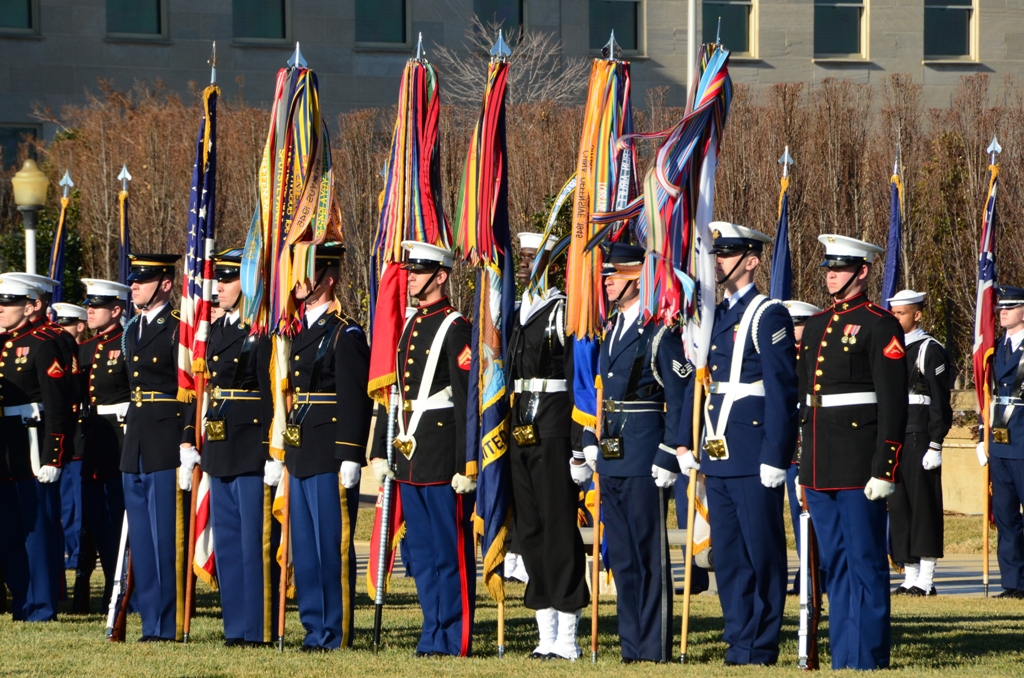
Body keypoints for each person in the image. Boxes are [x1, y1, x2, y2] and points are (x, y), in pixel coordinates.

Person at [676, 223, 798, 666]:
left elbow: (784, 392)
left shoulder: (769, 315)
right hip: (718, 452)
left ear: (751, 259)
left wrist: (775, 454)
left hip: (752, 452)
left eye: (728, 254)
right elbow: (700, 381)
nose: (718, 261)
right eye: (717, 253)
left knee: (761, 552)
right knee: (727, 556)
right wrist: (685, 443)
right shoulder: (714, 315)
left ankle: (761, 644)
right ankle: (738, 638)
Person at [797, 234, 907, 671]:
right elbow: (806, 402)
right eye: (828, 267)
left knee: (864, 564)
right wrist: (803, 464)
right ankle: (844, 655)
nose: (832, 274)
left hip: (861, 466)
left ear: (863, 271)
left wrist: (886, 466)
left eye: (841, 267)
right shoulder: (819, 323)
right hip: (821, 465)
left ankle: (867, 657)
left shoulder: (881, 324)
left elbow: (893, 403)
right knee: (835, 567)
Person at [581, 241, 689, 664]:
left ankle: (652, 646)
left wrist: (667, 453)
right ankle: (631, 645)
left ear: (636, 279)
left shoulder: (660, 331)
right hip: (612, 456)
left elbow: (678, 398)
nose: (606, 282)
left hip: (645, 455)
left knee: (647, 554)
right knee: (623, 557)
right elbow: (602, 394)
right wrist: (590, 439)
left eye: (614, 275)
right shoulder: (611, 329)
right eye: (606, 275)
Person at [263, 243, 372, 651]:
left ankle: (335, 629)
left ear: (327, 279)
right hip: (300, 447)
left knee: (331, 544)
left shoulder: (345, 331)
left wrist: (350, 453)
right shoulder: (294, 331)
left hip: (329, 449)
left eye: (307, 273)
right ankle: (313, 627)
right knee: (305, 547)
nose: (298, 281)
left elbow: (354, 397)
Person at [368, 241, 474, 658]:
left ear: (441, 276)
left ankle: (454, 637)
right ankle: (432, 632)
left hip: (442, 454)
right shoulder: (410, 325)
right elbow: (393, 394)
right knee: (425, 555)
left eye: (419, 271)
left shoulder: (456, 326)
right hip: (409, 455)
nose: (409, 277)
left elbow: (466, 401)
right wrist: (380, 448)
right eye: (410, 270)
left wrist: (467, 461)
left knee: (449, 554)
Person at [508, 232, 589, 660]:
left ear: (551, 263)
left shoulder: (563, 311)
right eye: (521, 257)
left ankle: (569, 633)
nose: (523, 264)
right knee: (531, 530)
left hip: (555, 428)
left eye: (530, 257)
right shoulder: (517, 310)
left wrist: (578, 447)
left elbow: (579, 382)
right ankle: (545, 632)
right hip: (520, 427)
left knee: (559, 529)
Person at [200, 250, 278, 646]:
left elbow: (269, 395)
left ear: (246, 285)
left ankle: (258, 627)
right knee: (228, 542)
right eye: (218, 281)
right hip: (220, 444)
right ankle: (235, 627)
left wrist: (271, 449)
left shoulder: (259, 330)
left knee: (254, 543)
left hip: (250, 445)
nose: (218, 289)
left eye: (227, 282)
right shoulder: (217, 329)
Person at [121, 253, 197, 642]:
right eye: (133, 279)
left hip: (166, 441)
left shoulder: (179, 328)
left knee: (166, 537)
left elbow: (190, 390)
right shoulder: (132, 328)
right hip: (135, 442)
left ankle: (167, 623)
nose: (133, 285)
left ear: (166, 284)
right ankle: (150, 620)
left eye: (142, 279)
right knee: (143, 543)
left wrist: (187, 437)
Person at [0, 277, 74, 621]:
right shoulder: (3, 342)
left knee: (38, 529)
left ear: (32, 306)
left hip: (33, 442)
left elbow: (57, 403)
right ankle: (21, 602)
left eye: (9, 302)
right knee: (11, 530)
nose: (1, 308)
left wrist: (53, 454)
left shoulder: (44, 343)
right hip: (6, 445)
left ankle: (42, 606)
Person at [887, 290, 952, 597]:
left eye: (902, 313)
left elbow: (941, 402)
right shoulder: (890, 349)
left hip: (919, 437)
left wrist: (936, 444)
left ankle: (926, 579)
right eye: (893, 312)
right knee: (899, 507)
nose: (896, 317)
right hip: (896, 437)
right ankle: (908, 575)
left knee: (923, 507)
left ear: (918, 315)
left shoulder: (930, 349)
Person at [78, 279, 131, 611]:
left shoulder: (127, 343)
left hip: (121, 436)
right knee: (96, 521)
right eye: (88, 305)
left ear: (116, 309)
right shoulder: (85, 349)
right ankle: (105, 590)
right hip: (94, 439)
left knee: (120, 522)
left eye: (96, 306)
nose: (90, 311)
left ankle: (125, 591)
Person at [978, 285, 1024, 598]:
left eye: (1010, 307)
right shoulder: (994, 349)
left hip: (1023, 440)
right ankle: (1013, 582)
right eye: (1000, 308)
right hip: (1000, 443)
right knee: (1006, 516)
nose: (1002, 312)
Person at [783, 299, 822, 595]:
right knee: (795, 518)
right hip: (785, 450)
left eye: (797, 323)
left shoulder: (817, 357)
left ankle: (813, 574)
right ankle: (804, 571)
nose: (793, 330)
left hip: (811, 447)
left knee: (812, 515)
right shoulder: (779, 354)